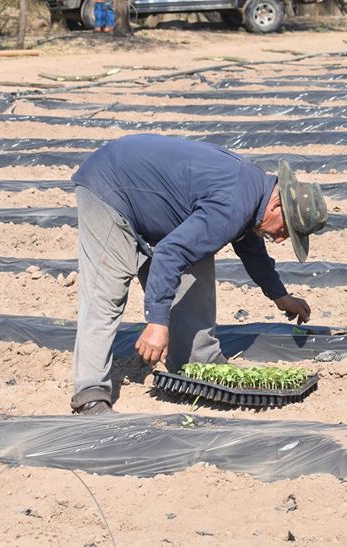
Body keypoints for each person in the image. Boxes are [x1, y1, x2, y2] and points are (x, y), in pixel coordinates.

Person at [69, 134, 328, 415]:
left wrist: (280, 296)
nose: (279, 239)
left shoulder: (253, 194)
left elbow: (251, 249)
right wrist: (157, 322)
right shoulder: (235, 203)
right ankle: (90, 393)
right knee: (106, 292)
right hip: (111, 185)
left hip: (152, 199)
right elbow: (169, 254)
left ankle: (197, 366)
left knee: (197, 258)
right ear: (277, 206)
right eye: (285, 230)